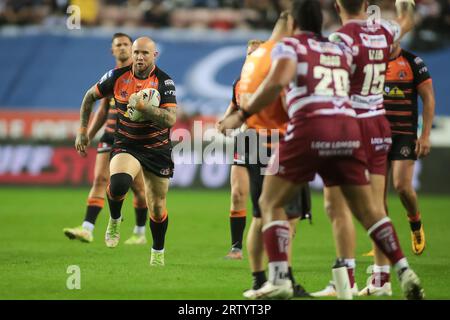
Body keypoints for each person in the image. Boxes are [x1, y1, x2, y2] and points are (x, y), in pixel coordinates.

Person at [220, 0, 424, 300]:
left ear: (293, 24)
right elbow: (405, 21)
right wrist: (405, 5)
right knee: (370, 210)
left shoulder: (294, 46)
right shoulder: (338, 47)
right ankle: (404, 270)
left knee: (270, 202)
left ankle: (279, 279)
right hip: (348, 128)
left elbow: (276, 83)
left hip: (310, 128)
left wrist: (242, 114)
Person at [311, 0, 417, 297]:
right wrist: (404, 4)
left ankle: (343, 280)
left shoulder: (340, 39)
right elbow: (407, 20)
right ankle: (381, 281)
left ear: (336, 5)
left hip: (350, 124)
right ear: (367, 5)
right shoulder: (383, 30)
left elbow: (333, 84)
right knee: (377, 206)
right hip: (379, 124)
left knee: (336, 205)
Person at [218, 11, 312, 299]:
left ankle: (266, 279)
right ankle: (277, 278)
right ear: (295, 25)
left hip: (257, 139)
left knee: (265, 215)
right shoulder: (281, 56)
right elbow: (282, 96)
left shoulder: (253, 63)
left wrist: (233, 119)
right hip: (276, 141)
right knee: (280, 215)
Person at [75, 37, 177, 266]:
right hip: (127, 144)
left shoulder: (164, 81)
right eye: (137, 52)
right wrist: (83, 130)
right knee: (118, 182)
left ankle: (157, 251)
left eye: (145, 54)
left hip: (156, 148)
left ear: (154, 56)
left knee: (158, 207)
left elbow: (171, 119)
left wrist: (145, 108)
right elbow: (89, 97)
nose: (140, 57)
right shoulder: (116, 77)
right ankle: (114, 219)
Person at [358, 43, 435, 294]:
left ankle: (415, 222)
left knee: (402, 187)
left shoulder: (413, 62)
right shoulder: (372, 64)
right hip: (375, 135)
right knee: (376, 200)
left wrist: (424, 136)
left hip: (403, 134)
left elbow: (428, 98)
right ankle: (380, 249)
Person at [64, 33, 149, 245]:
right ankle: (87, 229)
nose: (122, 48)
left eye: (126, 45)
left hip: (132, 139)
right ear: (112, 50)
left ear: (132, 49)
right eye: (118, 45)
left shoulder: (141, 75)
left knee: (138, 188)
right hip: (110, 135)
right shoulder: (112, 77)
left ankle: (139, 232)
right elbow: (101, 109)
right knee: (101, 180)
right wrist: (87, 135)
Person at [221, 40, 263, 260]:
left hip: (270, 141)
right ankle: (236, 248)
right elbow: (234, 105)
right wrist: (225, 121)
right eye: (248, 54)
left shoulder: (273, 81)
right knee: (237, 193)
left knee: (266, 201)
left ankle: (275, 247)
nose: (251, 58)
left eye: (255, 54)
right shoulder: (239, 82)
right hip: (246, 140)